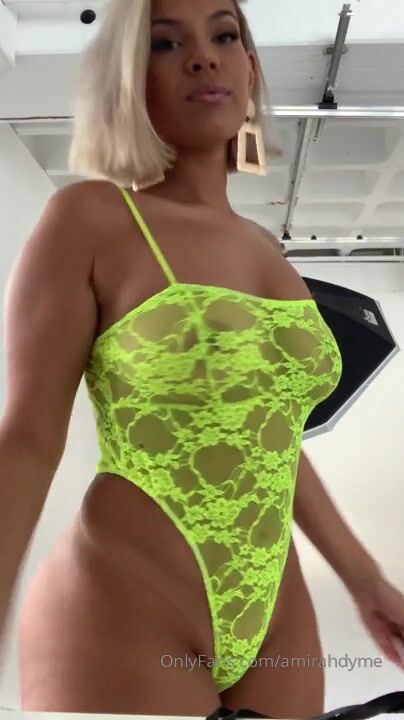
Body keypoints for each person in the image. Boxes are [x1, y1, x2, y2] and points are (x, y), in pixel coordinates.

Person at [0, 0, 404, 717]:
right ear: (127, 78)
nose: (203, 56)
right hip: (127, 597)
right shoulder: (91, 218)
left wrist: (366, 581)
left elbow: (270, 433)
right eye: (165, 43)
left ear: (249, 66)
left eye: (224, 35)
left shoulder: (264, 247)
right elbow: (27, 440)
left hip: (275, 608)